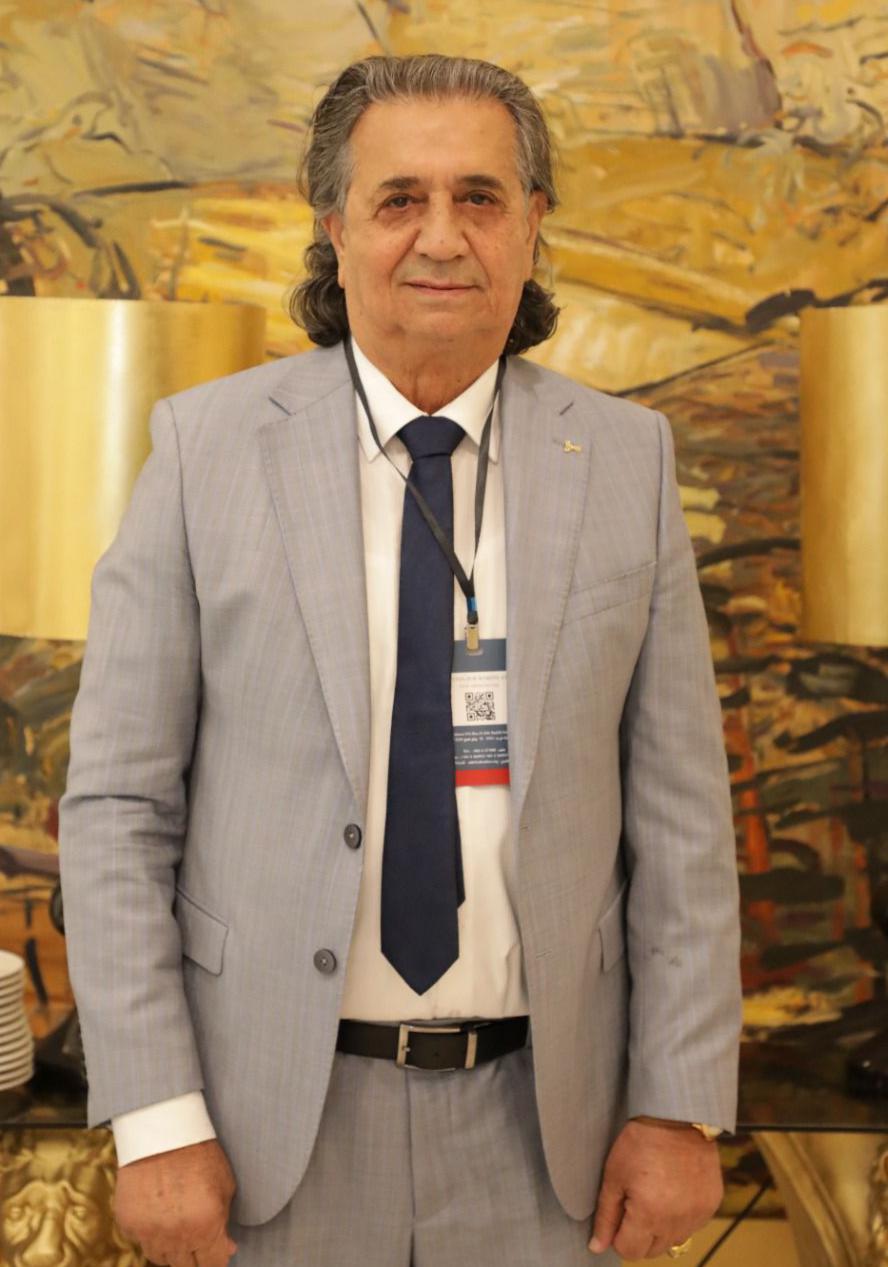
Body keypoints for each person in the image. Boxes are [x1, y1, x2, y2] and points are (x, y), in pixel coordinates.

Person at [58, 53, 742, 1267]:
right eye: (398, 200)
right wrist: (156, 1118)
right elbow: (118, 808)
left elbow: (683, 817)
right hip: (267, 1134)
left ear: (532, 224)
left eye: (480, 196)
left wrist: (677, 1103)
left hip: (553, 1141)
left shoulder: (627, 461)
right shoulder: (206, 453)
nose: (441, 236)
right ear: (334, 228)